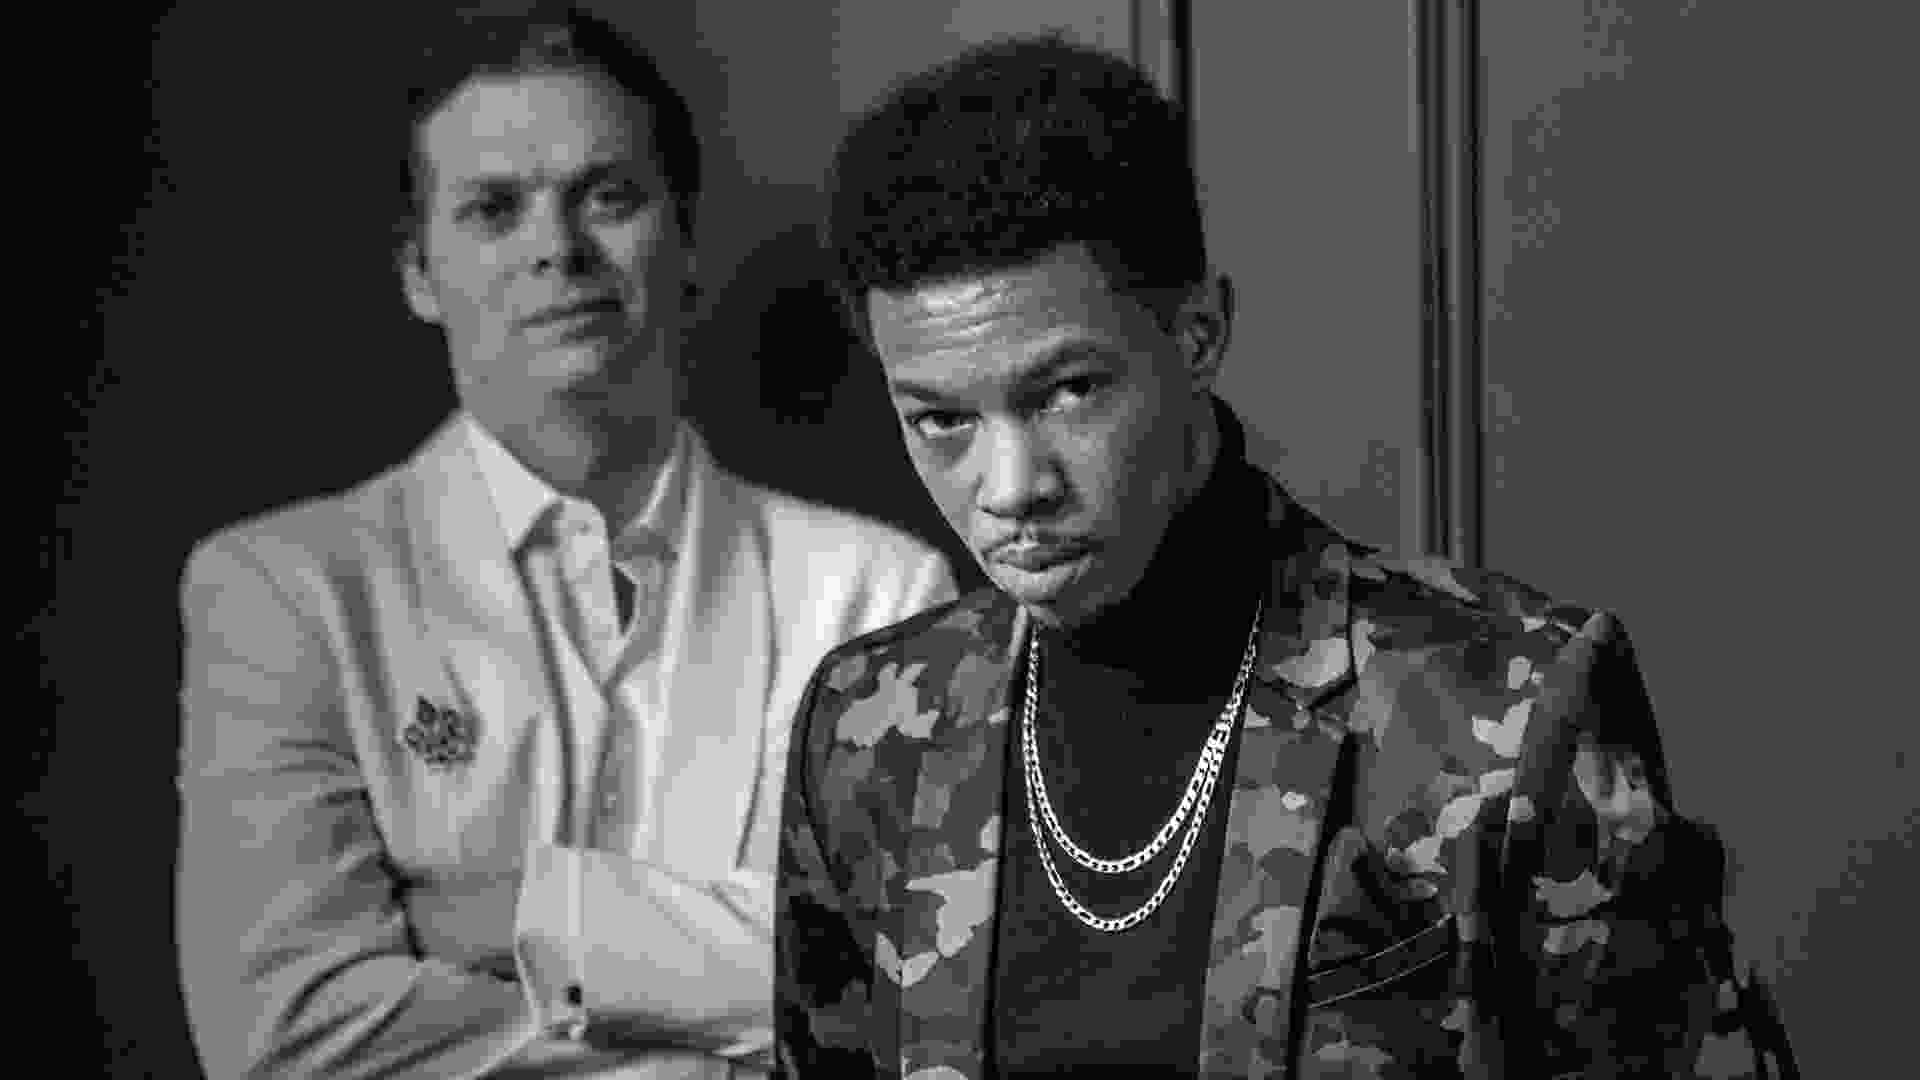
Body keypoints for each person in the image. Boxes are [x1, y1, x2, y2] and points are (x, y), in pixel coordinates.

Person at [776, 34, 1789, 1079]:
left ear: (1199, 335)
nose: (1010, 486)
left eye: (1069, 392)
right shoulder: (868, 731)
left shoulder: (1515, 707)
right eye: (941, 420)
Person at [174, 4, 956, 1076]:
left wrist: (523, 917)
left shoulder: (877, 595)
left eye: (609, 196)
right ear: (418, 272)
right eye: (494, 209)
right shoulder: (285, 595)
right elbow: (292, 1033)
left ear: (686, 238)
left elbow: (913, 988)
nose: (557, 248)